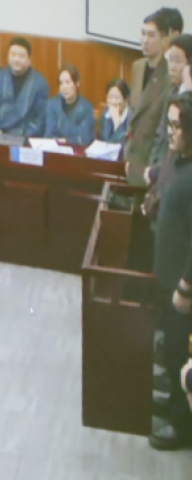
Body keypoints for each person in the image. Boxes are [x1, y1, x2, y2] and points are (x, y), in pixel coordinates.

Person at [150, 92, 192, 450]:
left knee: (182, 354)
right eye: (170, 124)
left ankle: (183, 426)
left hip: (184, 286)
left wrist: (186, 287)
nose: (171, 132)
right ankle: (176, 404)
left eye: (177, 126)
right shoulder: (178, 160)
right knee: (174, 350)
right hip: (168, 278)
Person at [125, 10, 172, 185]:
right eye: (143, 33)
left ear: (164, 39)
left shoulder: (169, 75)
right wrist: (128, 153)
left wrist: (153, 166)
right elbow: (133, 113)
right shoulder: (138, 67)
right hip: (133, 158)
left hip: (152, 161)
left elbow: (162, 128)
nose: (145, 40)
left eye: (151, 35)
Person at [0, 37, 50, 137]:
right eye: (13, 55)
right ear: (8, 57)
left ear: (29, 60)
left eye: (21, 56)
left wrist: (24, 136)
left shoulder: (40, 83)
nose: (16, 59)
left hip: (26, 137)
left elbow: (41, 119)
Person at [148, 35, 192, 170]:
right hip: (161, 169)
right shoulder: (171, 93)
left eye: (177, 61)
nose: (172, 67)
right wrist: (153, 164)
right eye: (170, 60)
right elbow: (160, 135)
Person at [44, 65, 95, 145]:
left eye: (68, 82)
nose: (64, 87)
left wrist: (64, 140)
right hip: (56, 150)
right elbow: (49, 135)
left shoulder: (86, 107)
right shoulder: (52, 105)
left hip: (78, 150)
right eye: (61, 83)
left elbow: (84, 139)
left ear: (77, 83)